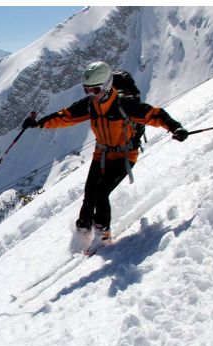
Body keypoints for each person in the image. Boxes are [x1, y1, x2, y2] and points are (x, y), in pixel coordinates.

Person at [22, 61, 188, 247]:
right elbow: (64, 116)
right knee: (89, 194)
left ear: (107, 86)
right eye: (87, 90)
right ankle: (82, 233)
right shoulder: (90, 105)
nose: (90, 94)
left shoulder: (124, 105)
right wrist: (38, 124)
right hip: (101, 154)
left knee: (101, 193)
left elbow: (155, 115)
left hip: (125, 156)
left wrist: (175, 127)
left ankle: (103, 235)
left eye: (94, 90)